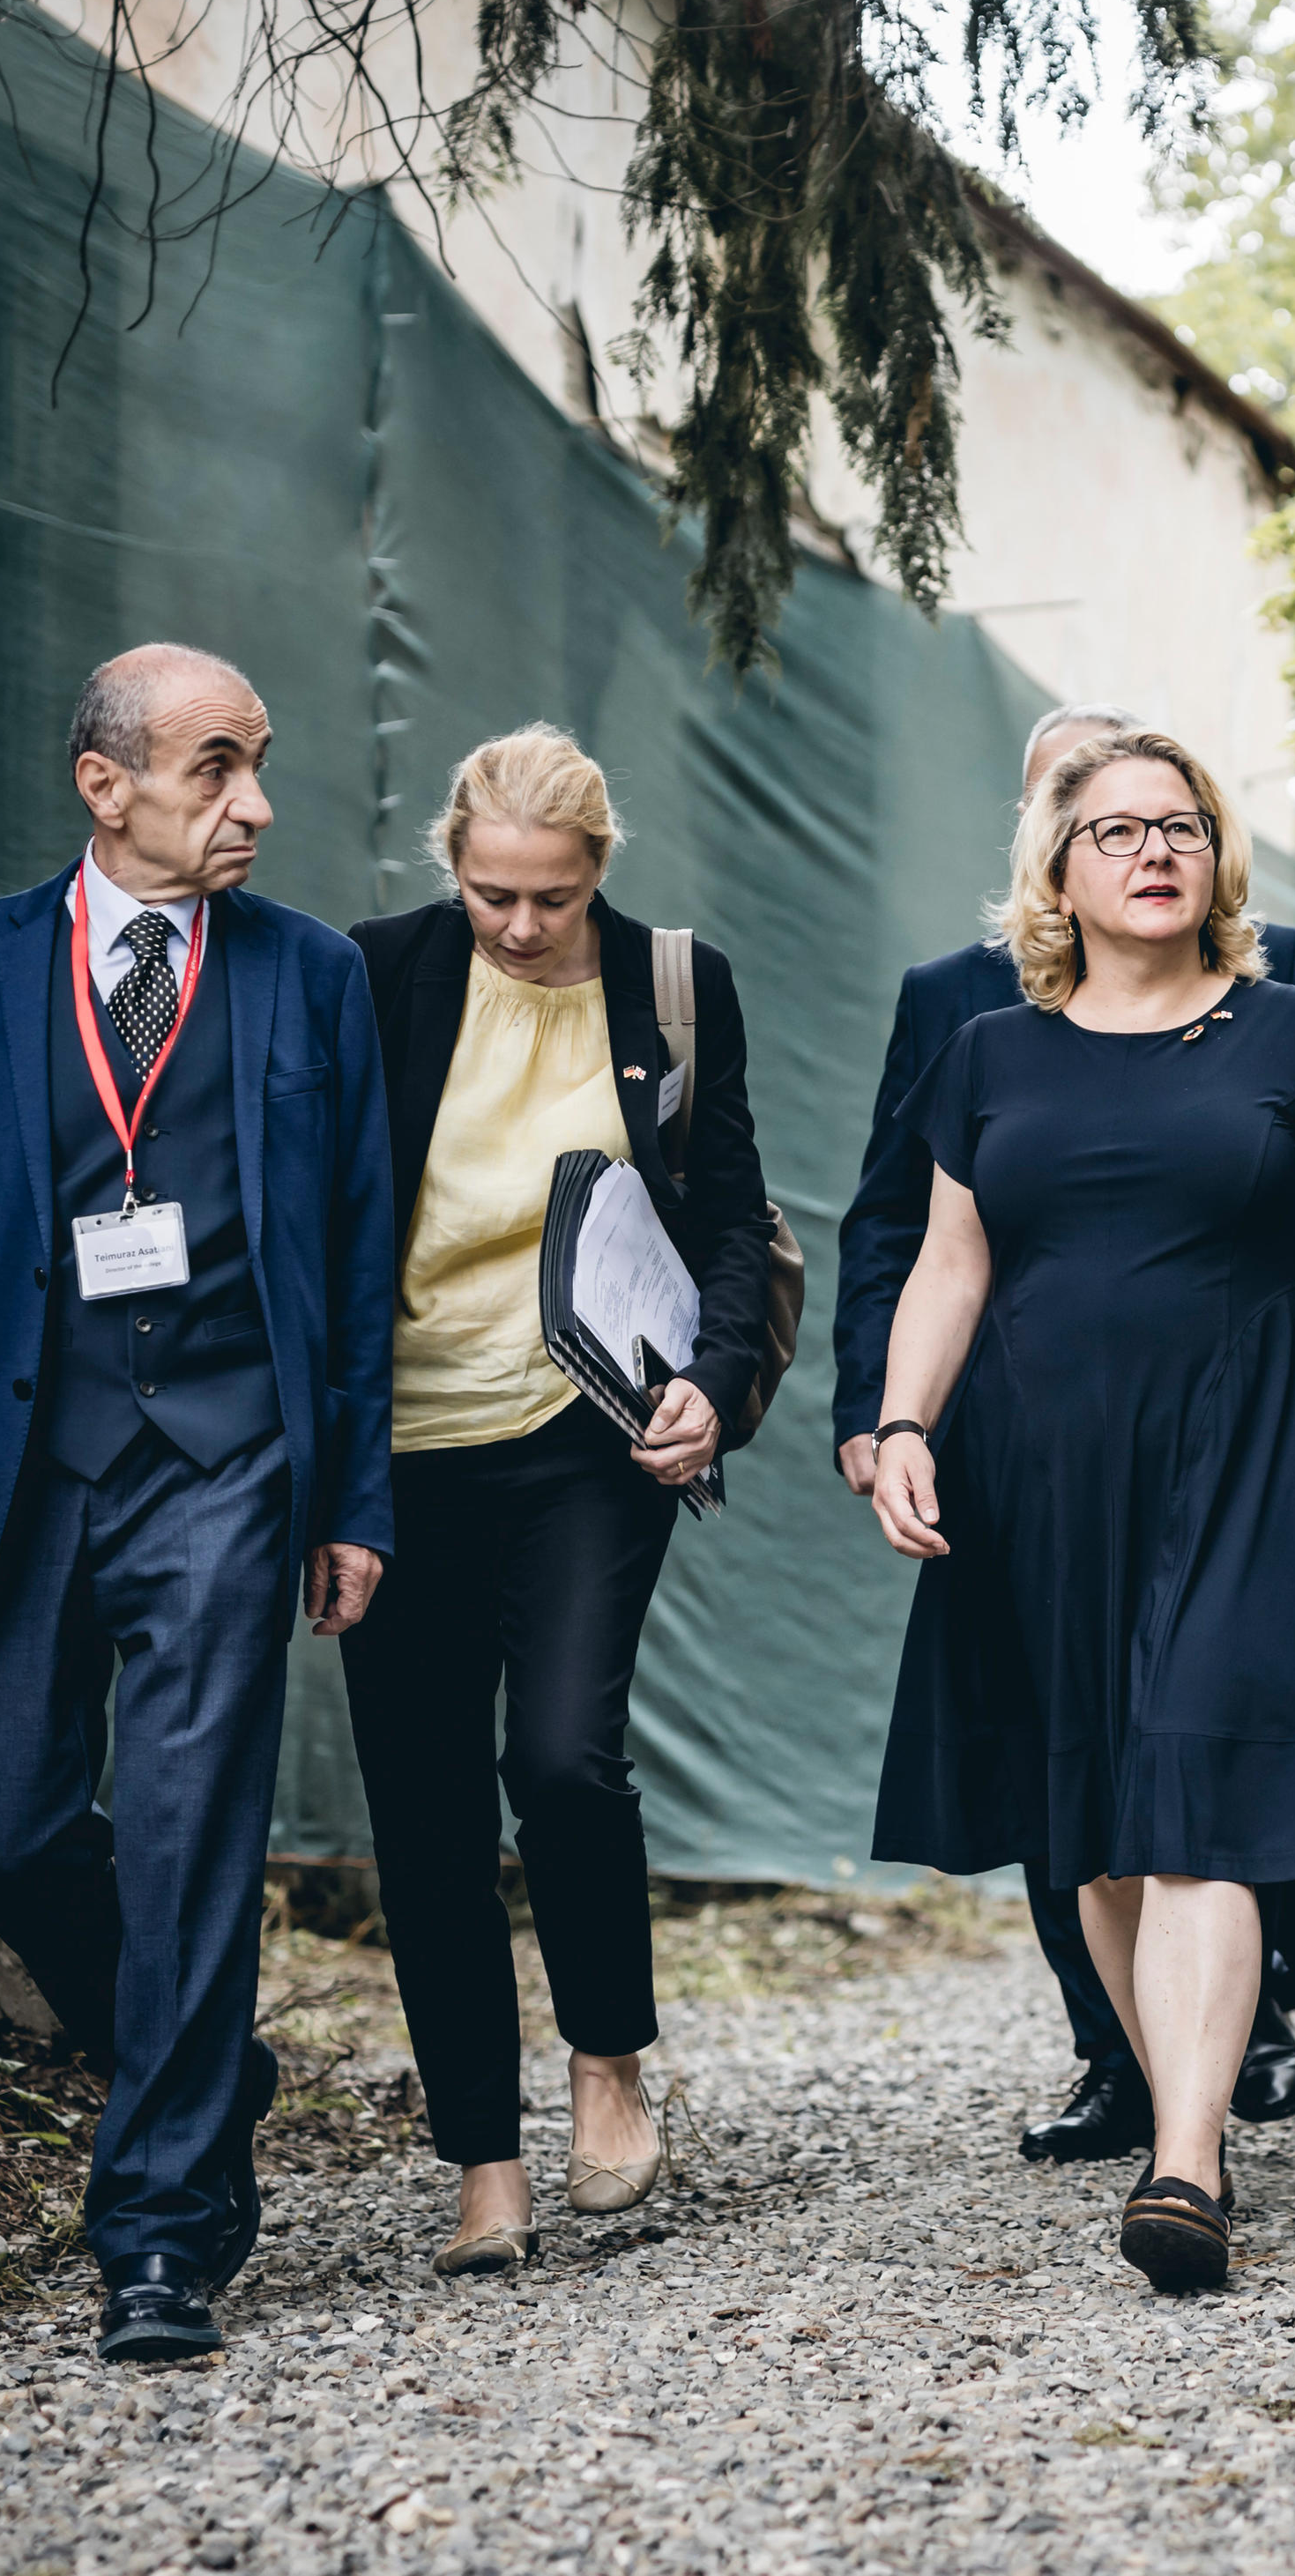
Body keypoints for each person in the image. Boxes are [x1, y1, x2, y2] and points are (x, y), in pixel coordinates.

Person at [0, 647, 396, 2363]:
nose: (255, 805)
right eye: (216, 768)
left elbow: (357, 1268)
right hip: (17, 1466)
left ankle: (159, 2235)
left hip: (224, 1470)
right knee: (8, 1835)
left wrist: (349, 1497)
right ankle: (198, 2057)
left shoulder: (313, 980)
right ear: (103, 781)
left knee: (198, 1828)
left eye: (260, 765)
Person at [867, 725, 1295, 2289]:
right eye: (1114, 831)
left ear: (1216, 857)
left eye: (1178, 825)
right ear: (1058, 870)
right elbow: (949, 1262)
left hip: (1241, 1451)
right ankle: (1194, 2107)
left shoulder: (1293, 1035)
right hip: (1033, 1468)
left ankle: (1185, 2163)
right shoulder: (986, 1056)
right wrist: (904, 1419)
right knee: (1093, 1827)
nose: (1152, 850)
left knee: (1202, 1803)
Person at [339, 729, 774, 2275]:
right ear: (451, 864)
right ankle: (482, 2165)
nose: (519, 925)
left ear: (601, 867)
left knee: (565, 1755)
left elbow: (730, 1216)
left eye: (549, 895)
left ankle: (607, 2057)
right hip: (398, 1450)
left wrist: (713, 1378)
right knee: (426, 1800)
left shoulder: (671, 983)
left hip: (590, 1433)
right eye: (490, 893)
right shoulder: (377, 971)